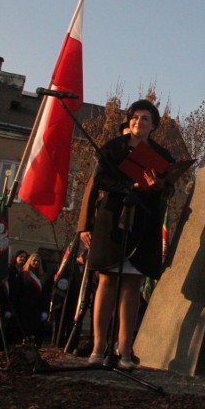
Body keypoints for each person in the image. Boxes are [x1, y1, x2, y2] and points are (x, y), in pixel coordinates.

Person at [83, 100, 173, 370]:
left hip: (143, 224)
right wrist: (128, 185)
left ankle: (125, 349)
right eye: (134, 118)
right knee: (107, 282)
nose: (138, 122)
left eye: (145, 118)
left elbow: (167, 189)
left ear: (153, 125)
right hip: (113, 221)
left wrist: (158, 185)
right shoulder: (112, 149)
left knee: (132, 285)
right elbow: (99, 180)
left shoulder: (161, 155)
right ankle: (99, 347)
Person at [13, 252, 48, 347]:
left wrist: (45, 310)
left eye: (38, 261)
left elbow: (45, 295)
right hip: (24, 307)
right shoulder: (23, 274)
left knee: (35, 331)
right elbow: (17, 292)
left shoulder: (43, 276)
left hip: (37, 309)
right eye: (34, 260)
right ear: (30, 261)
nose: (36, 263)